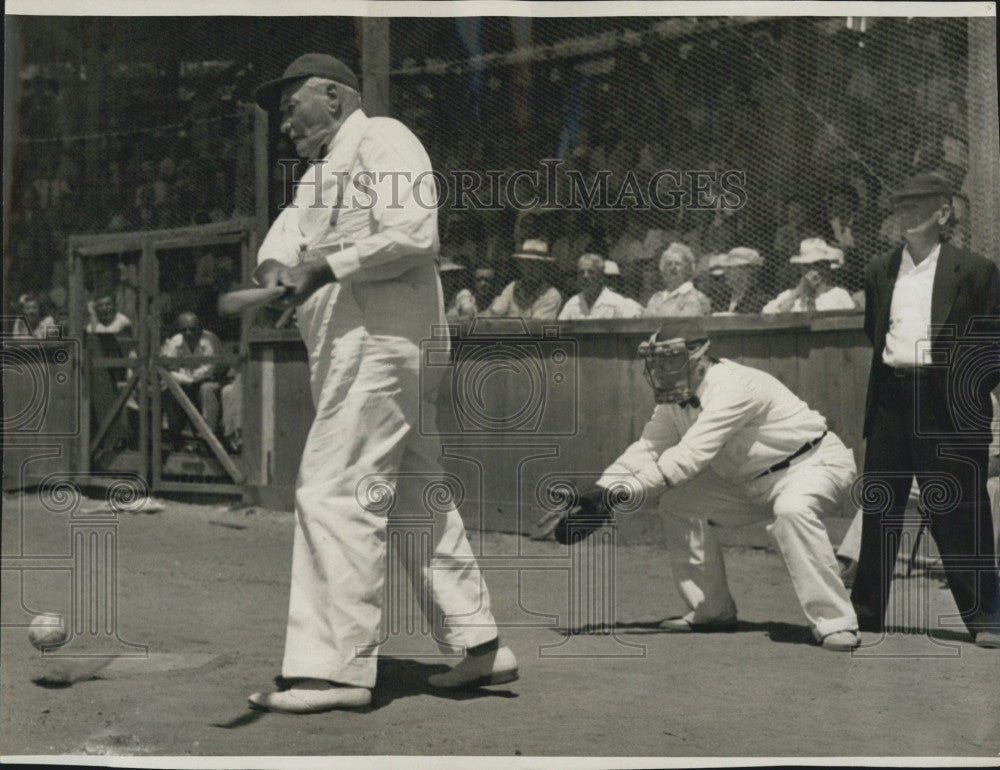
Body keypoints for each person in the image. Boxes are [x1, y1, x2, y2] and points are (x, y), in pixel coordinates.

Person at [248, 53, 517, 713]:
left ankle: (333, 672)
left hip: (379, 348)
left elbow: (413, 234)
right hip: (361, 353)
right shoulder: (316, 179)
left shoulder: (383, 138)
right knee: (413, 496)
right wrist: (279, 274)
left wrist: (325, 268)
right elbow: (279, 249)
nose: (284, 123)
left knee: (333, 490)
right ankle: (478, 643)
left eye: (291, 106)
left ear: (334, 98)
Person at [545, 332, 861, 651]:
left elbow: (688, 458)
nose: (661, 372)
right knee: (680, 503)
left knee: (792, 510)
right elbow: (650, 448)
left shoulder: (734, 386)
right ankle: (710, 610)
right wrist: (602, 488)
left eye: (670, 362)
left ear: (699, 361)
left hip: (811, 464)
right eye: (655, 363)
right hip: (748, 480)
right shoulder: (674, 398)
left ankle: (835, 622)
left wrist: (615, 496)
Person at [850, 172, 1000, 648]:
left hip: (947, 405)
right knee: (880, 508)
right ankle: (865, 615)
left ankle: (987, 618)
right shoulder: (879, 270)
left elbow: (993, 345)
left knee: (960, 509)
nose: (905, 215)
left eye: (918, 207)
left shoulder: (975, 271)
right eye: (900, 206)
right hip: (893, 397)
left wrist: (963, 393)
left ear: (943, 214)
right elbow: (877, 331)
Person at [159, 311, 222, 453]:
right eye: (184, 329)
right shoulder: (176, 341)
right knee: (169, 392)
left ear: (199, 327)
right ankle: (175, 437)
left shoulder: (210, 340)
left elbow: (208, 370)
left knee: (207, 390)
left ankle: (208, 440)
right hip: (185, 383)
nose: (188, 332)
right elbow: (169, 370)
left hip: (209, 381)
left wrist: (184, 375)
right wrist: (187, 378)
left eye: (192, 329)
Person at [762, 238, 857, 314]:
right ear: (801, 268)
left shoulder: (839, 295)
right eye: (807, 266)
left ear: (827, 267)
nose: (813, 271)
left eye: (818, 265)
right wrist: (797, 292)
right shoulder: (789, 295)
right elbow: (767, 317)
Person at [482, 239, 562, 320]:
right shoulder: (512, 287)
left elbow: (534, 327)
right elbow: (493, 313)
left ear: (544, 268)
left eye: (537, 264)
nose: (531, 269)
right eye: (527, 263)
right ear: (520, 265)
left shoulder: (551, 295)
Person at [558, 253, 643, 320]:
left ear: (601, 277)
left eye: (591, 272)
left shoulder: (617, 303)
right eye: (581, 273)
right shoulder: (572, 304)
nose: (585, 276)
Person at [643, 242, 712, 318]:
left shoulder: (697, 298)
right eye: (669, 264)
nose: (673, 268)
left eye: (678, 264)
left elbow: (684, 323)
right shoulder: (656, 299)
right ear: (664, 270)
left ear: (687, 269)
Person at [706, 247, 771, 315]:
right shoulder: (721, 297)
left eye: (730, 268)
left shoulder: (760, 299)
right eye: (726, 268)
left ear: (746, 270)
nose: (726, 272)